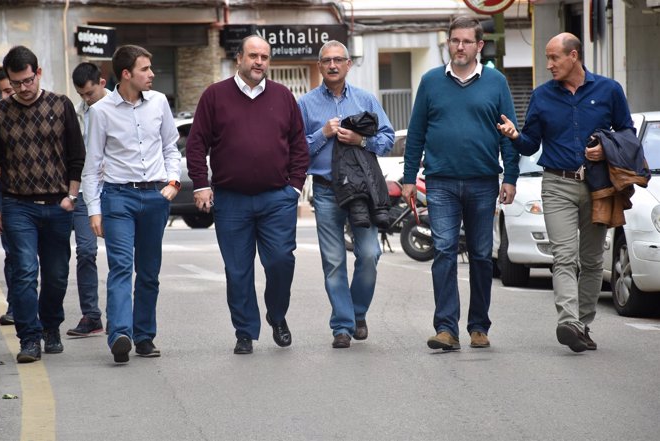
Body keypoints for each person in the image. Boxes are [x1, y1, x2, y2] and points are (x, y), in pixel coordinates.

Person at [497, 33, 634, 353]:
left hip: (598, 185)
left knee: (591, 258)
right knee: (563, 255)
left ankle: (583, 322)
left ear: (574, 56)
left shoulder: (609, 90)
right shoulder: (542, 96)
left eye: (554, 58)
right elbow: (531, 142)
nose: (549, 65)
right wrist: (515, 135)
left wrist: (606, 148)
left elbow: (627, 131)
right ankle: (568, 320)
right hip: (557, 184)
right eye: (548, 58)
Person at [185, 35, 309, 355]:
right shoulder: (215, 96)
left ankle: (277, 315)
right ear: (238, 58)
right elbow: (197, 144)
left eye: (264, 57)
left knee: (281, 261)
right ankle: (245, 331)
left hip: (276, 199)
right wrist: (201, 184)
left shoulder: (283, 96)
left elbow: (299, 144)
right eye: (253, 56)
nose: (259, 62)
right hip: (231, 200)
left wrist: (294, 187)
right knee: (238, 270)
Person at [403, 16, 520, 351]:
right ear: (448, 43)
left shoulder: (496, 82)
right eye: (455, 40)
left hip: (483, 182)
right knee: (443, 251)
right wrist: (409, 178)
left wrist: (510, 177)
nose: (460, 47)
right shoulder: (430, 81)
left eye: (467, 41)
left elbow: (508, 134)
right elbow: (416, 134)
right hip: (440, 182)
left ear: (479, 46)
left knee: (482, 255)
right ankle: (445, 329)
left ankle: (479, 326)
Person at [0, 45, 85, 363]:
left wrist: (71, 196)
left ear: (38, 73)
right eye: (16, 83)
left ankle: (51, 327)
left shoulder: (61, 105)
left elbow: (76, 156)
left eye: (28, 80)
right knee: (24, 270)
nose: (24, 89)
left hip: (57, 205)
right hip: (17, 205)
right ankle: (29, 338)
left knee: (55, 275)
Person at [81, 45, 181, 363]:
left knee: (149, 273)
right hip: (117, 197)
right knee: (122, 267)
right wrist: (94, 210)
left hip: (154, 196)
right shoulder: (101, 112)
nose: (152, 74)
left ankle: (144, 337)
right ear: (126, 74)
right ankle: (120, 334)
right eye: (145, 69)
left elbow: (170, 146)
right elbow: (93, 165)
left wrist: (173, 182)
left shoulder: (160, 103)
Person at [297, 41, 394, 349]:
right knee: (334, 261)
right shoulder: (306, 104)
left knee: (369, 254)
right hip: (326, 191)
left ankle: (357, 312)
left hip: (362, 193)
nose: (333, 65)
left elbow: (388, 138)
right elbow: (296, 149)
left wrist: (360, 140)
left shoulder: (365, 99)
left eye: (338, 60)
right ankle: (342, 325)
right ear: (319, 66)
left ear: (349, 64)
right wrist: (321, 134)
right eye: (327, 60)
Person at [66, 62, 110, 337]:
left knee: (122, 257)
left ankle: (123, 317)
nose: (86, 99)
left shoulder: (118, 109)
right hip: (84, 192)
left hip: (117, 190)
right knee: (85, 252)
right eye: (81, 94)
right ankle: (91, 316)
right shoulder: (76, 115)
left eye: (90, 93)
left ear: (102, 83)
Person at [0, 70, 15, 326]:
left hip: (44, 198)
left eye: (8, 90)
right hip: (8, 194)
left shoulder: (48, 108)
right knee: (13, 254)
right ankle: (16, 306)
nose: (5, 96)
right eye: (2, 90)